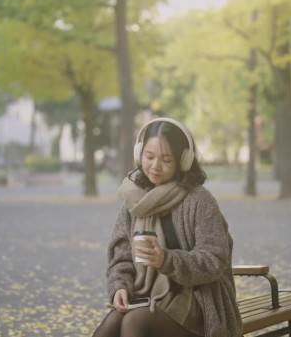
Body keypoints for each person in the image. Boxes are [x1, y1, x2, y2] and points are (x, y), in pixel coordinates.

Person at [92, 117, 242, 337]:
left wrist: (166, 260)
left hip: (197, 304)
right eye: (149, 156)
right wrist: (120, 287)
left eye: (166, 159)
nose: (155, 166)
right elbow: (120, 257)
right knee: (111, 325)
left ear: (183, 161)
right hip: (147, 298)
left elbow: (215, 259)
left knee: (134, 322)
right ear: (139, 154)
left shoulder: (199, 200)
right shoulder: (134, 201)